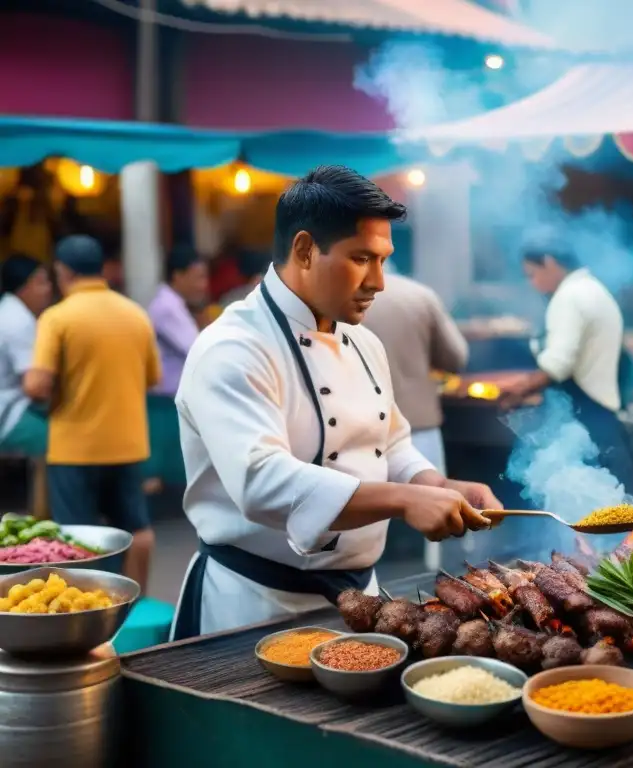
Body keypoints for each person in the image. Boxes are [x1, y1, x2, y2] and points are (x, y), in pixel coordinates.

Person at [170, 165, 501, 640]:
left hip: (360, 598)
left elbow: (391, 441)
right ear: (304, 250)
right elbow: (261, 481)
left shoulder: (363, 343)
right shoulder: (232, 348)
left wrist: (436, 483)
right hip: (256, 603)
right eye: (362, 258)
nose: (379, 282)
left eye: (384, 259)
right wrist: (406, 500)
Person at [23, 235, 161, 590]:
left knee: (75, 538)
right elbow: (152, 377)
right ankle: (137, 602)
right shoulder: (135, 314)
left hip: (75, 447)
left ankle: (87, 611)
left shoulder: (57, 318)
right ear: (102, 269)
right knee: (137, 529)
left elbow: (37, 385)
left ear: (62, 272)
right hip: (128, 443)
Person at [500, 248, 633, 488]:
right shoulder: (593, 288)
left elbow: (558, 364)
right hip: (604, 419)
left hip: (586, 424)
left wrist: (516, 393)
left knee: (590, 508)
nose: (533, 283)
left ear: (550, 262)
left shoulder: (569, 296)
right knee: (611, 506)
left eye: (532, 274)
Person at [362, 264, 468, 474]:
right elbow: (456, 357)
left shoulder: (333, 301)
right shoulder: (420, 295)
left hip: (359, 434)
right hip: (419, 430)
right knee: (432, 501)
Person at [0, 254, 53, 458]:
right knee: (64, 446)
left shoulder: (9, 310)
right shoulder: (17, 320)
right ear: (23, 288)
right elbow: (35, 387)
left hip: (15, 405)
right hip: (7, 415)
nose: (48, 289)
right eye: (40, 283)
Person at [149, 246, 208, 397]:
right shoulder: (167, 307)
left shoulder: (174, 304)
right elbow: (199, 351)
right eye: (198, 278)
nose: (203, 286)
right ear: (178, 276)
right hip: (168, 401)